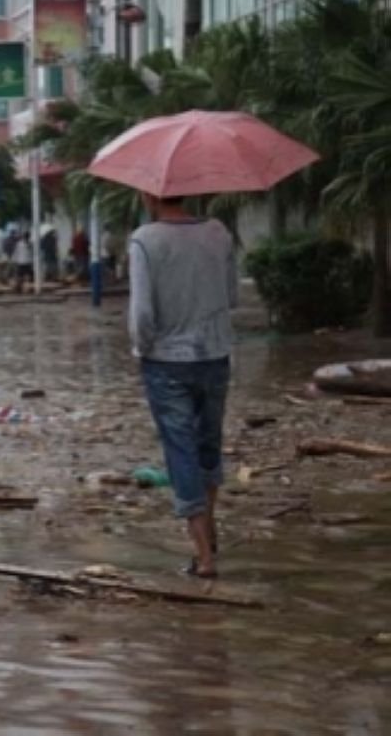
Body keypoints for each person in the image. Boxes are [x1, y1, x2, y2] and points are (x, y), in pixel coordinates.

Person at [130, 194, 238, 580]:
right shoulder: (218, 233)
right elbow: (232, 297)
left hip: (165, 361)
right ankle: (208, 527)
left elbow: (142, 313)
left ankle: (204, 557)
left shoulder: (144, 240)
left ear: (148, 195)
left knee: (181, 453)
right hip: (214, 354)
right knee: (208, 446)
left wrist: (142, 348)